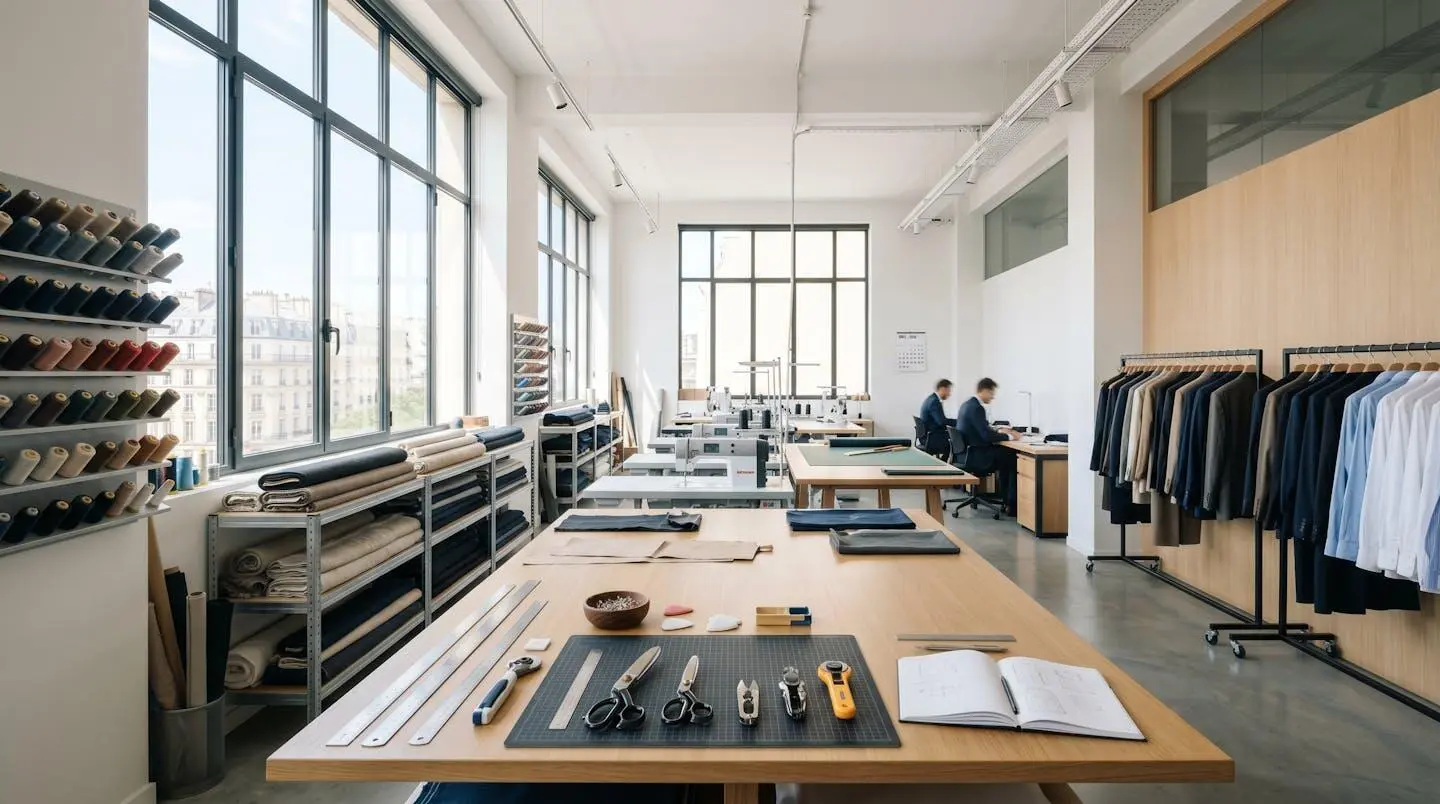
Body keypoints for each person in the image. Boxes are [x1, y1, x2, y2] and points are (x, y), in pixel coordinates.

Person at [957, 377, 1021, 515]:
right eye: (991, 393)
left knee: (1005, 454)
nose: (993, 397)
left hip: (966, 454)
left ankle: (1007, 500)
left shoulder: (967, 404)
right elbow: (985, 436)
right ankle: (1011, 505)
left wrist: (998, 430)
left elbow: (982, 428)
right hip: (977, 456)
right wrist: (1010, 436)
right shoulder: (977, 408)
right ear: (984, 391)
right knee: (1012, 457)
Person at [918, 379, 956, 456]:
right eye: (949, 391)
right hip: (932, 437)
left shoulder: (931, 398)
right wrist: (958, 422)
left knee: (954, 438)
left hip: (927, 435)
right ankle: (946, 465)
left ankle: (944, 464)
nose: (949, 394)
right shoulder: (934, 402)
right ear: (943, 389)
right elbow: (941, 422)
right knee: (956, 440)